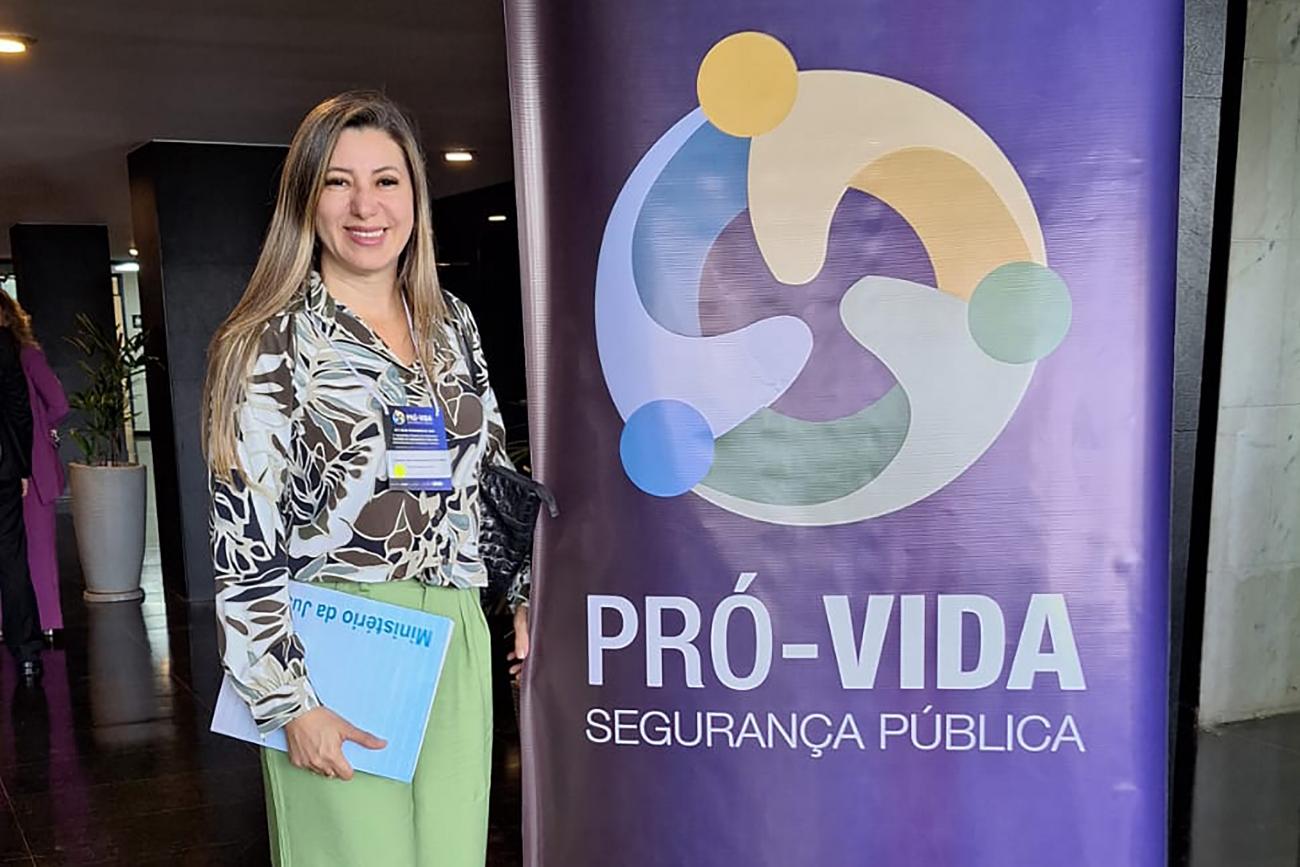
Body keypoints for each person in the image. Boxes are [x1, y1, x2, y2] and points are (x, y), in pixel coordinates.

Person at [204, 91, 530, 867]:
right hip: (337, 640)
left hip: (456, 629)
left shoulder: (451, 325)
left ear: (415, 195)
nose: (365, 206)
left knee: (451, 854)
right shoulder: (269, 341)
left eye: (386, 180)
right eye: (338, 182)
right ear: (305, 199)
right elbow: (243, 537)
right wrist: (289, 701)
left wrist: (521, 595)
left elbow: (491, 472)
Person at [0, 293, 69, 636]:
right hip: (24, 462)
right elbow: (57, 405)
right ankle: (38, 622)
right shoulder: (25, 354)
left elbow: (58, 404)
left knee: (29, 546)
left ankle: (41, 621)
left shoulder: (27, 355)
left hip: (28, 464)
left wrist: (42, 430)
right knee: (27, 546)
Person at [0, 292, 41, 681]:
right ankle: (27, 653)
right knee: (11, 556)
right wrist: (23, 466)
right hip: (3, 467)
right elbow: (19, 410)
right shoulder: (3, 344)